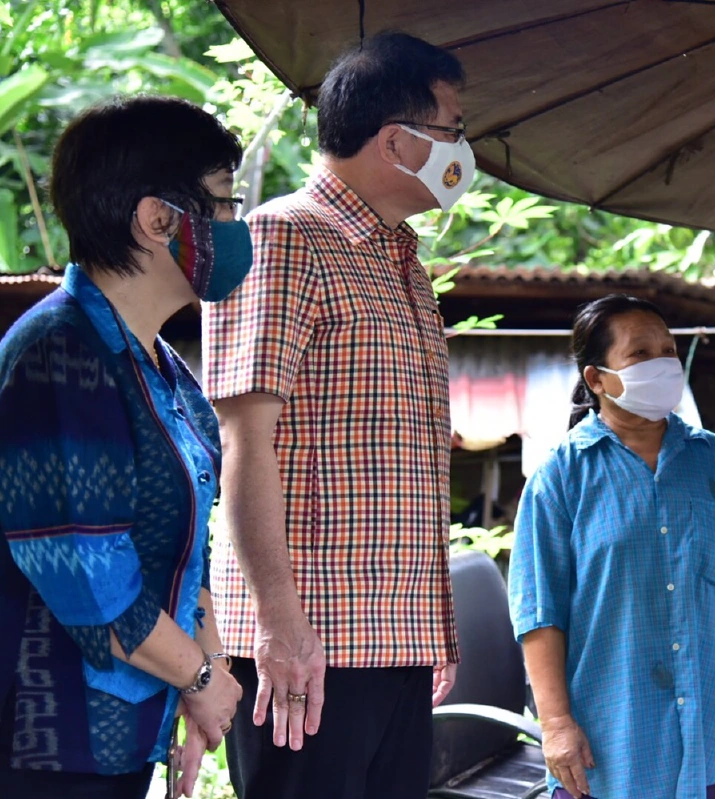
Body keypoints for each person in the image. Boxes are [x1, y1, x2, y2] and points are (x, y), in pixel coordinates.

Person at [202, 31, 470, 799]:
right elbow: (244, 437)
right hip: (311, 643)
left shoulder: (404, 262)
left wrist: (431, 630)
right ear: (397, 141)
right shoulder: (282, 238)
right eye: (455, 128)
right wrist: (280, 625)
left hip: (394, 639)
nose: (465, 151)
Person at [0, 95, 249, 798]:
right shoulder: (60, 353)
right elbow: (90, 579)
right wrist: (200, 677)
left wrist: (202, 677)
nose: (236, 226)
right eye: (225, 203)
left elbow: (185, 546)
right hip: (49, 746)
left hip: (125, 730)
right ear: (157, 219)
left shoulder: (162, 368)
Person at [508, 295, 715, 799]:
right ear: (596, 379)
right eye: (640, 354)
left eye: (668, 350)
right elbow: (539, 615)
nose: (662, 363)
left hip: (709, 743)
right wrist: (557, 725)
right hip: (607, 751)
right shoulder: (560, 478)